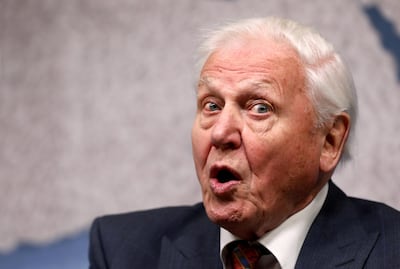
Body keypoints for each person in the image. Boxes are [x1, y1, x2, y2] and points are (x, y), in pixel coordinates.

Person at [88, 17, 400, 269]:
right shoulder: (122, 251)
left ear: (329, 141)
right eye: (211, 105)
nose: (221, 133)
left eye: (259, 108)